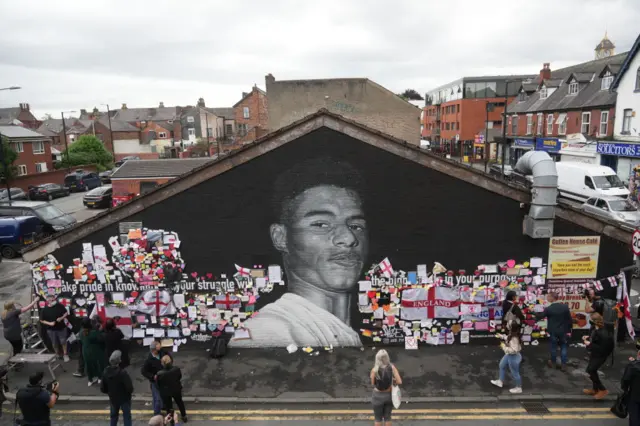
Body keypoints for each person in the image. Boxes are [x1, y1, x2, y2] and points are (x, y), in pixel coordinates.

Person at [230, 158, 368, 347]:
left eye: (356, 225)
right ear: (280, 237)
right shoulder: (268, 334)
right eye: (321, 224)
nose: (348, 238)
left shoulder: (346, 332)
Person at [538, 292, 572, 371]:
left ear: (552, 298)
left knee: (553, 346)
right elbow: (569, 320)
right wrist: (569, 330)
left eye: (548, 297)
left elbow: (541, 316)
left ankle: (553, 362)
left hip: (553, 331)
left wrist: (533, 313)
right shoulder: (565, 307)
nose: (547, 298)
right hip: (563, 331)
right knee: (563, 346)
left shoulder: (549, 308)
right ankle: (563, 364)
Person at [583, 313, 614, 399]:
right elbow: (595, 338)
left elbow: (603, 348)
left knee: (591, 370)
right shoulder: (596, 328)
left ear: (594, 321)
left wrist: (589, 344)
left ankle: (603, 390)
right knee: (591, 370)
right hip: (595, 353)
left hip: (601, 355)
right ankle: (595, 389)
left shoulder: (604, 333)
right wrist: (588, 338)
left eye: (591, 320)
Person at [101, 350, 133, 426]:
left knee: (113, 417)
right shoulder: (122, 373)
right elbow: (130, 388)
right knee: (127, 417)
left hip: (113, 398)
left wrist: (109, 392)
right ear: (119, 361)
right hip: (124, 399)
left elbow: (103, 388)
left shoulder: (105, 372)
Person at [370, 349, 402, 426]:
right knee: (388, 417)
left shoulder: (374, 370)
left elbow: (373, 383)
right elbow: (399, 381)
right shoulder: (392, 367)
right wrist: (393, 381)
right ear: (387, 357)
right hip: (388, 395)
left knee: (378, 418)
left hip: (377, 396)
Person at [491, 323, 523, 394]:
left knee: (515, 373)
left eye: (509, 325)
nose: (507, 326)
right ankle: (500, 381)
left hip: (513, 357)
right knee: (501, 365)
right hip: (509, 355)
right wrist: (501, 336)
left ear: (511, 328)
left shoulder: (514, 338)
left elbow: (514, 350)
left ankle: (519, 388)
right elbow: (508, 338)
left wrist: (503, 347)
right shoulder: (512, 334)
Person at [142, 340, 172, 415]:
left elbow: (169, 357)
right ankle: (157, 414)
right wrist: (152, 376)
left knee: (165, 395)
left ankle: (164, 406)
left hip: (164, 378)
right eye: (158, 347)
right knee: (157, 399)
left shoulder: (161, 352)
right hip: (155, 381)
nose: (160, 348)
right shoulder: (149, 360)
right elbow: (144, 371)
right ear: (154, 350)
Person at [157, 355, 188, 423]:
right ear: (170, 361)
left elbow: (158, 384)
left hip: (166, 392)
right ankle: (184, 416)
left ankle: (171, 420)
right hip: (176, 389)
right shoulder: (176, 369)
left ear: (162, 363)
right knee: (179, 402)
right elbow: (179, 377)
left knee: (169, 407)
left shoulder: (159, 374)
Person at [39, 294, 70, 362]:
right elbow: (41, 320)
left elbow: (66, 313)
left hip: (61, 328)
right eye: (51, 300)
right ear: (48, 301)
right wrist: (49, 323)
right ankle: (57, 354)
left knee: (63, 342)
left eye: (53, 300)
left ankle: (65, 354)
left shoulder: (60, 306)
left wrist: (61, 318)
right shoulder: (44, 310)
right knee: (54, 343)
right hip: (51, 330)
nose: (53, 301)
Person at [79, 317, 105, 386]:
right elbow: (101, 339)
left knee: (88, 365)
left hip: (85, 351)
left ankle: (90, 380)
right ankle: (100, 377)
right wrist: (99, 330)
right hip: (95, 350)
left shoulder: (81, 332)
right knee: (98, 364)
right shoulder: (93, 332)